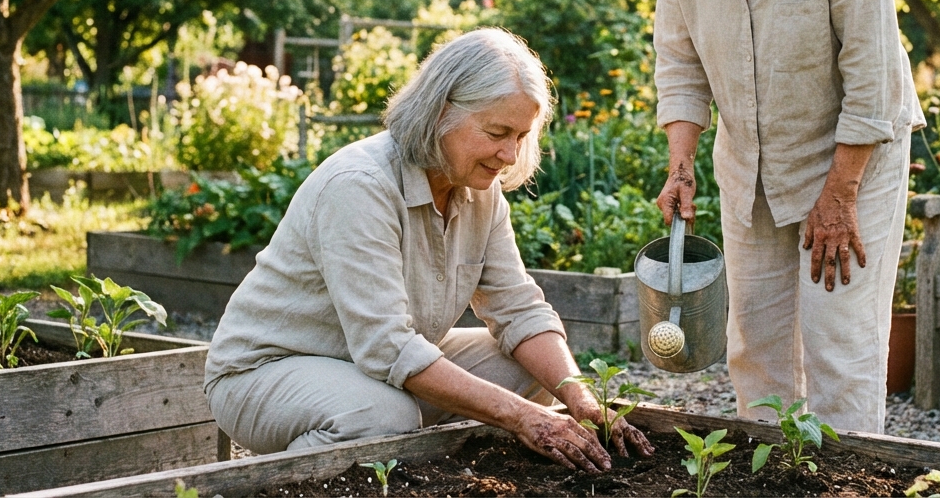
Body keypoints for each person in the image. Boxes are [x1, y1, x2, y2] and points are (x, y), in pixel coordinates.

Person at [204, 28, 653, 470]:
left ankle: (420, 465)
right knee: (384, 416)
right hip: (264, 372)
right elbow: (387, 347)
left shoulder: (480, 191)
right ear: (440, 113)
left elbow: (519, 309)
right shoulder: (359, 186)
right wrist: (521, 417)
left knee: (533, 372)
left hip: (365, 368)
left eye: (520, 136)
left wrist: (582, 399)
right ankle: (277, 480)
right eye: (498, 132)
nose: (511, 155)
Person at [642, 0, 925, 434]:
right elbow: (679, 61)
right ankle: (773, 475)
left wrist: (840, 194)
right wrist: (681, 164)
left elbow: (873, 73)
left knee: (839, 346)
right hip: (749, 165)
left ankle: (846, 475)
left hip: (851, 160)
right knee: (755, 345)